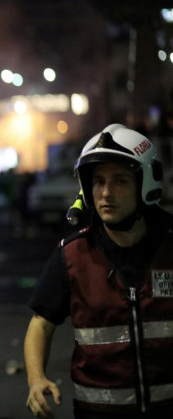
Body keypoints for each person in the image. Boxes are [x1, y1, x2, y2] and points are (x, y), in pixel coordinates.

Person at [24, 124, 173, 419]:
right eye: (98, 182)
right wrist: (35, 379)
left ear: (145, 183)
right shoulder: (72, 254)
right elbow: (40, 324)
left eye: (120, 181)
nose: (106, 193)